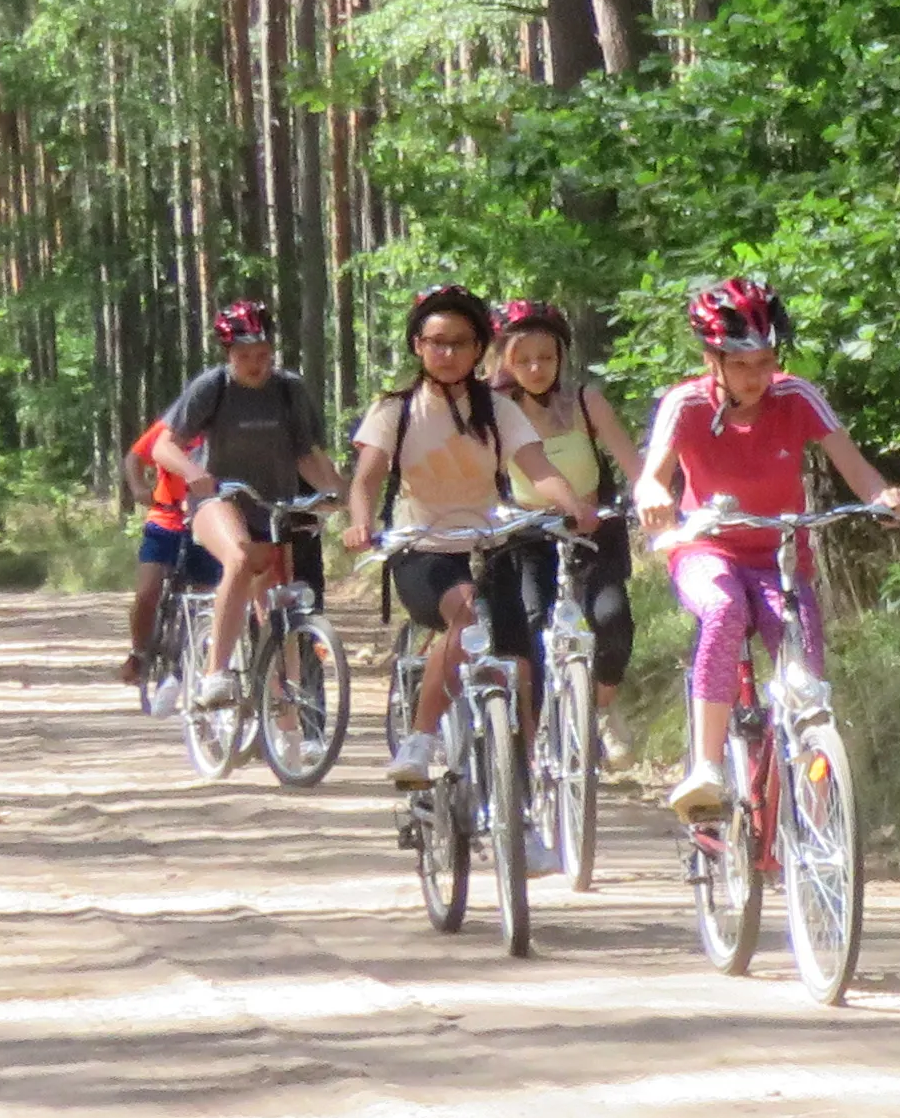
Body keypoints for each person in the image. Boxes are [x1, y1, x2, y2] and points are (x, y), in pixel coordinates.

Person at [639, 277, 900, 821]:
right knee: (723, 610)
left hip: (780, 558)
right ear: (712, 359)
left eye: (766, 361)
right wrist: (653, 495)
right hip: (708, 549)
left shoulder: (796, 396)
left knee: (806, 676)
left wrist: (884, 497)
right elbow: (652, 477)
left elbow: (858, 470)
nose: (757, 376)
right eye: (742, 364)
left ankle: (816, 817)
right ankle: (706, 768)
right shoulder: (686, 403)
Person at [345, 284, 606, 791]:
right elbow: (366, 480)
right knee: (466, 616)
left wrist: (573, 505)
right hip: (423, 553)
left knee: (519, 666)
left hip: (489, 550)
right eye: (436, 342)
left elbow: (536, 465)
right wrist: (361, 523)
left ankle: (521, 791)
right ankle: (419, 743)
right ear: (417, 345)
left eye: (460, 343)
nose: (447, 354)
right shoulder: (395, 409)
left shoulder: (498, 408)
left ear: (479, 348)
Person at [160, 298, 352, 687]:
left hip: (274, 506)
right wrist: (194, 473)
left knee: (278, 607)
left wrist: (339, 495)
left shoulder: (289, 391)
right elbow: (163, 446)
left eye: (263, 354)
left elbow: (306, 456)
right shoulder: (212, 387)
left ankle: (287, 724)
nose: (255, 363)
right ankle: (215, 673)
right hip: (218, 499)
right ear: (228, 354)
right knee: (240, 557)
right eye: (245, 354)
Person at [491, 300, 646, 746]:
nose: (536, 368)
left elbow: (631, 463)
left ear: (561, 356)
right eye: (522, 359)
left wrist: (653, 502)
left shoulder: (586, 402)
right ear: (506, 361)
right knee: (535, 623)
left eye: (545, 357)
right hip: (528, 537)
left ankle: (597, 709)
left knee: (612, 620)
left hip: (595, 534)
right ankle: (538, 732)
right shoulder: (498, 412)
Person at [118, 411, 209, 688]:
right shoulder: (173, 425)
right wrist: (138, 488)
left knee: (207, 596)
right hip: (166, 519)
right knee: (147, 592)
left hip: (207, 519)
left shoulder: (227, 429)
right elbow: (134, 457)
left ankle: (200, 655)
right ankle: (139, 652)